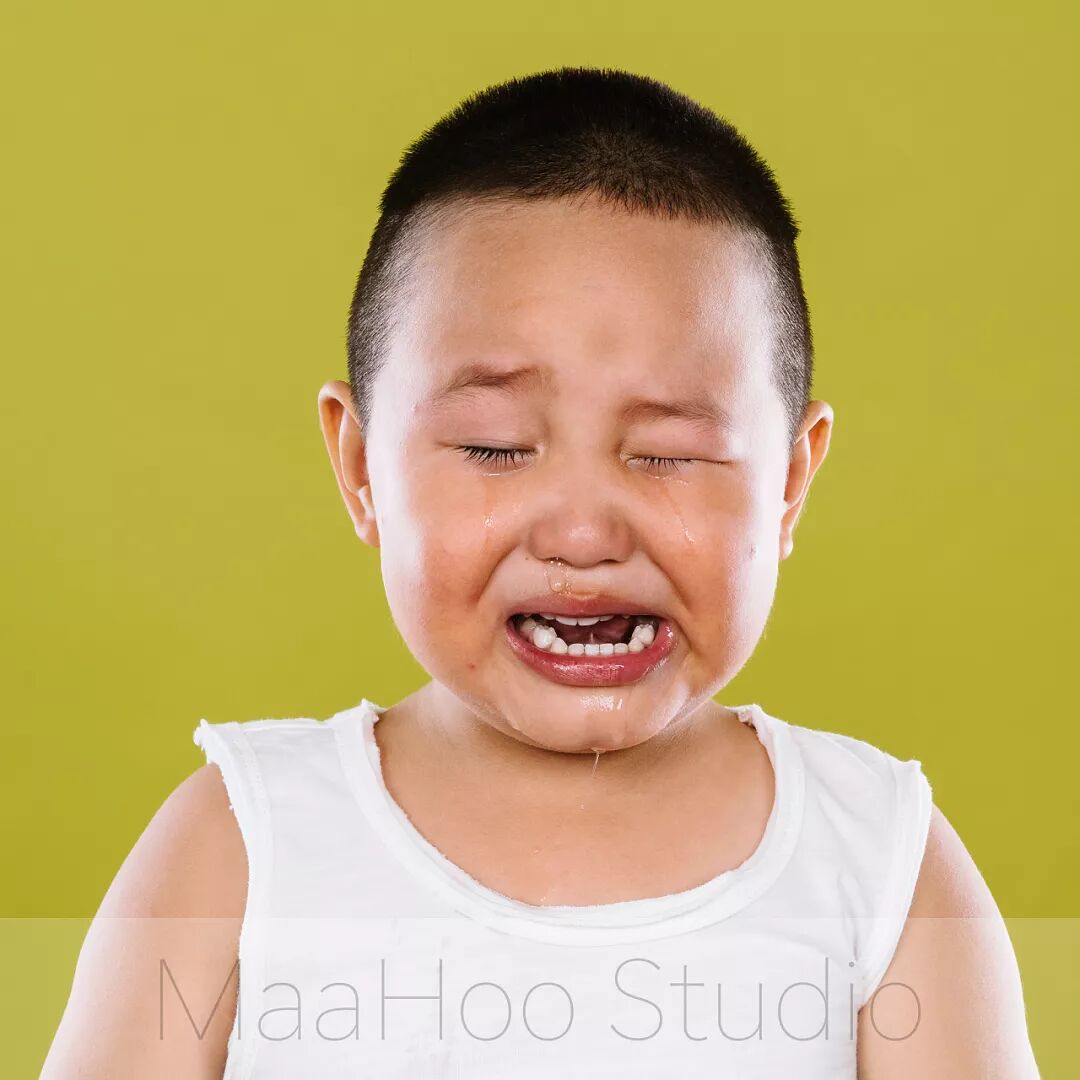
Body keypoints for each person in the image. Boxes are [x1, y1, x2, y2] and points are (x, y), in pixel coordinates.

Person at [42, 66, 1040, 1078]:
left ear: (788, 483)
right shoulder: (244, 846)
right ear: (361, 468)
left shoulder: (877, 862)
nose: (583, 532)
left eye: (670, 453)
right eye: (495, 445)